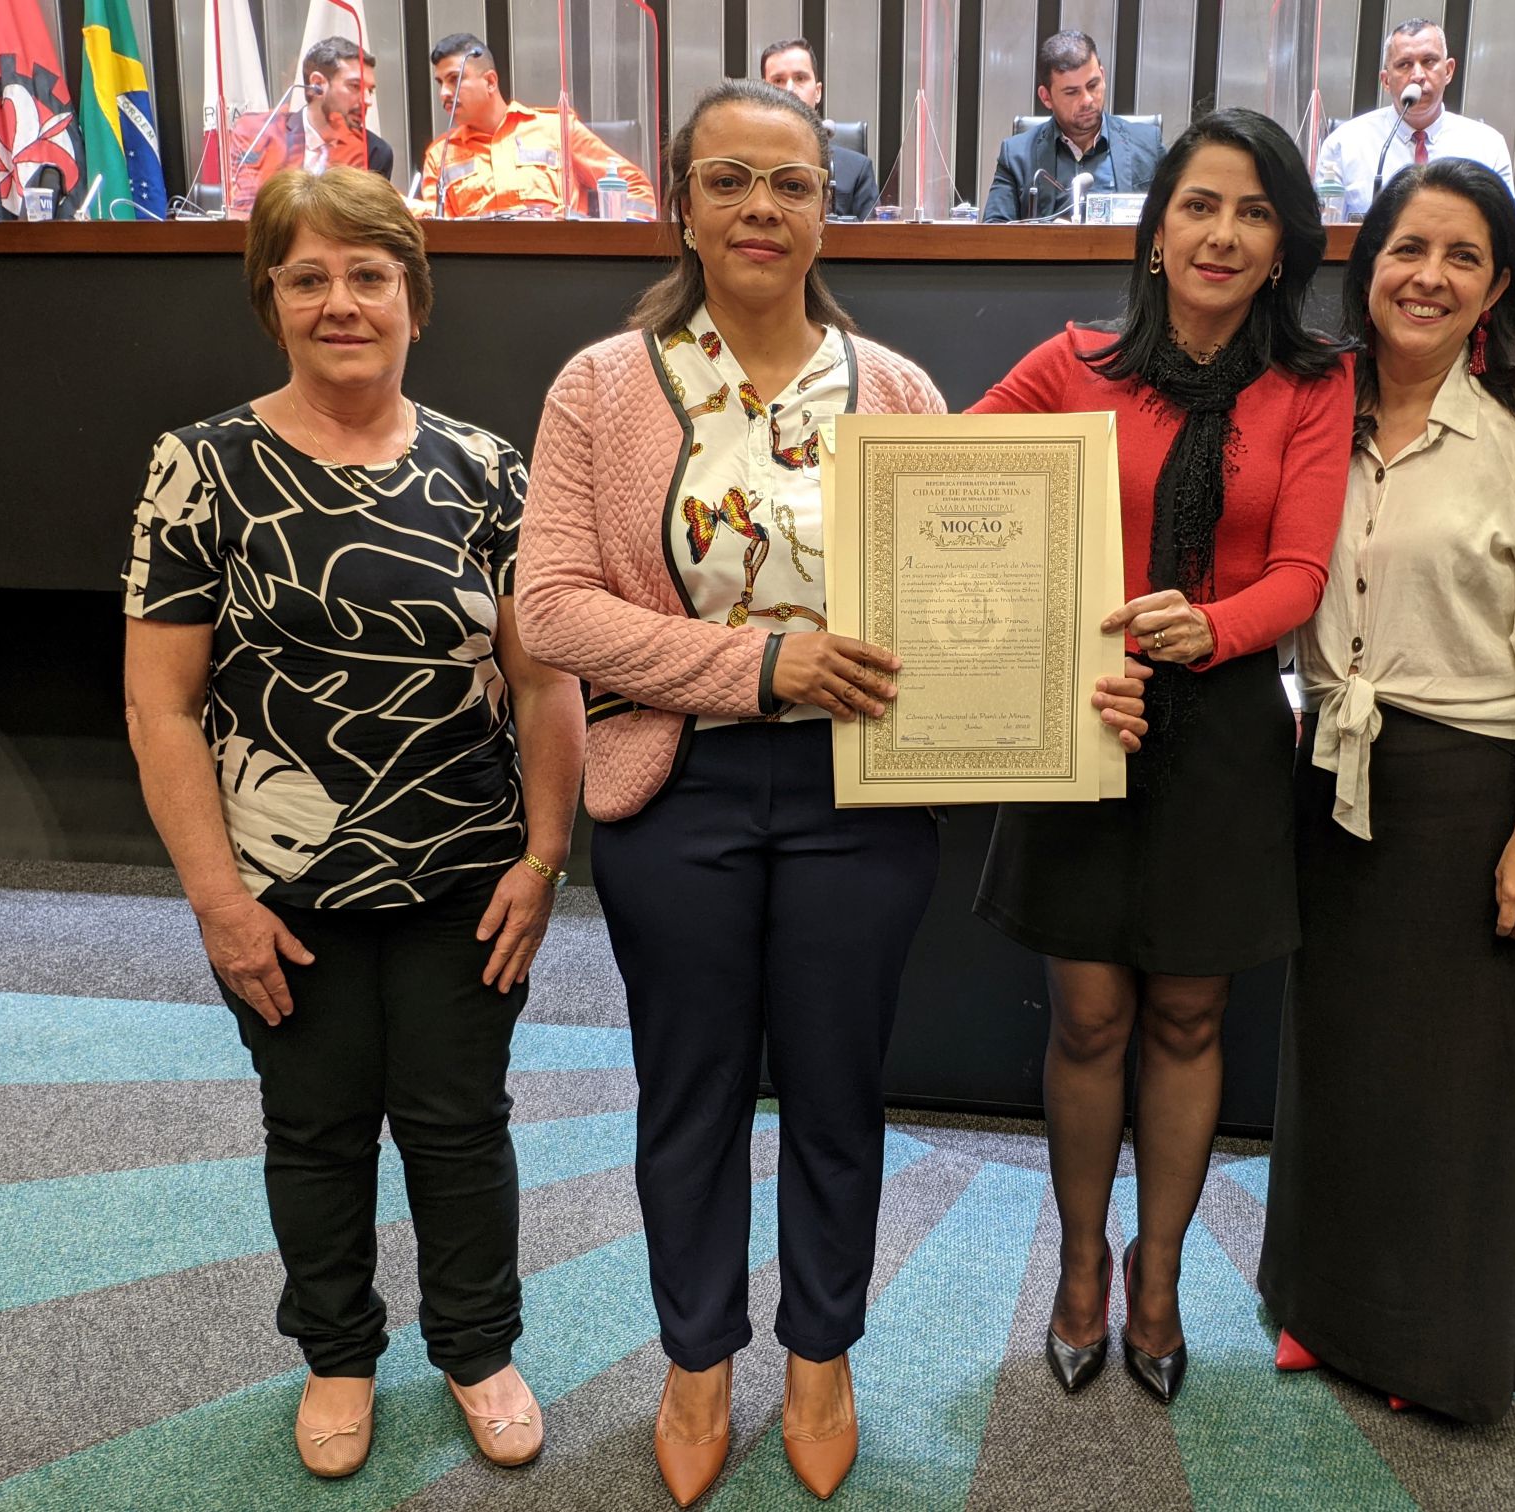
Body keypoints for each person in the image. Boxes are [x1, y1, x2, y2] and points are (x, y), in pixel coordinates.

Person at [514, 81, 943, 1506]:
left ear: (829, 211)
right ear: (681, 207)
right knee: (688, 1093)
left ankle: (821, 1356)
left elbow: (963, 607)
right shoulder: (601, 386)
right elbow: (553, 610)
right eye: (730, 181)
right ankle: (696, 1359)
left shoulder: (897, 390)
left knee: (835, 1090)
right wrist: (762, 665)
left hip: (861, 794)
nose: (763, 208)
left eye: (792, 184)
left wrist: (1067, 683)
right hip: (676, 780)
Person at [122, 166, 584, 1479]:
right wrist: (218, 902)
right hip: (277, 890)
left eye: (369, 276)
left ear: (413, 301)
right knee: (316, 1129)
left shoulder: (488, 469)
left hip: (467, 877)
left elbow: (548, 683)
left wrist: (547, 858)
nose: (342, 302)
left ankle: (478, 1349)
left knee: (458, 1123)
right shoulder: (200, 468)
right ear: (269, 300)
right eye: (308, 277)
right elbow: (162, 707)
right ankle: (336, 1355)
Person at [970, 108, 1351, 1405]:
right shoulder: (1070, 363)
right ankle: (1080, 1266)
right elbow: (946, 495)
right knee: (1087, 1018)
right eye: (1199, 204)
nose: (1223, 233)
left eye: (1254, 212)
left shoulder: (1311, 382)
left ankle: (1159, 1273)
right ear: (1154, 230)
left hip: (1226, 728)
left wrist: (1213, 627)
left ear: (1283, 245)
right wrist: (1051, 644)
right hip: (1084, 716)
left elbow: (1300, 570)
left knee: (1189, 1016)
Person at [1259, 157, 1515, 1425]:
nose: (1429, 276)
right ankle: (1323, 1306)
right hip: (1331, 775)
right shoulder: (1314, 402)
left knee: (1461, 1079)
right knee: (1338, 1056)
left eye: (1463, 256)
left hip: (1471, 790)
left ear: (1498, 286)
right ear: (1366, 267)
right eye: (1408, 249)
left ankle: (1437, 1345)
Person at [414, 32, 658, 219]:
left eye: (455, 80)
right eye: (440, 83)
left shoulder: (557, 129)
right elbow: (441, 233)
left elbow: (634, 185)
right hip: (480, 267)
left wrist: (617, 248)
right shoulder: (441, 155)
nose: (444, 93)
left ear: (490, 82)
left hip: (563, 261)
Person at [1315, 18, 1514, 220]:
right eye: (1404, 64)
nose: (1418, 75)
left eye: (1429, 61)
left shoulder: (1488, 147)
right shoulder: (1343, 145)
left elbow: (1507, 231)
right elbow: (1327, 230)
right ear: (1386, 80)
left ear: (1448, 71)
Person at [981, 31, 1164, 221]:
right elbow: (995, 229)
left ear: (1102, 76)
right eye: (1072, 92)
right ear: (1046, 97)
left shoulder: (1148, 145)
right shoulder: (1016, 156)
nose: (1087, 100)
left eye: (1092, 85)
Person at [228, 37, 392, 217]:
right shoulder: (259, 134)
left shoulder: (374, 151)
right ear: (317, 84)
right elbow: (244, 213)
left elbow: (366, 223)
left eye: (370, 91)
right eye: (355, 86)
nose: (368, 100)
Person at [760, 37, 878, 220]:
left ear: (817, 92)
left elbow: (875, 236)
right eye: (778, 80)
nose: (789, 89)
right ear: (763, 91)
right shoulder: (743, 164)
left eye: (800, 78)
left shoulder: (857, 170)